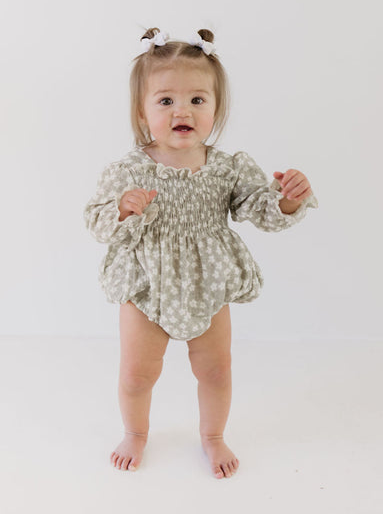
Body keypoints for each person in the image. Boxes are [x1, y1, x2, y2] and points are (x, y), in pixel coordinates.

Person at [84, 28, 318, 479]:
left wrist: (287, 198)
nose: (182, 111)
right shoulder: (129, 169)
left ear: (216, 108)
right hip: (146, 282)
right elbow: (94, 220)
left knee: (215, 371)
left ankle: (213, 436)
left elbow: (259, 209)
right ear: (142, 111)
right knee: (137, 374)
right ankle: (135, 431)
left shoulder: (227, 168)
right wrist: (122, 208)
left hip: (207, 281)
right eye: (166, 101)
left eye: (197, 100)